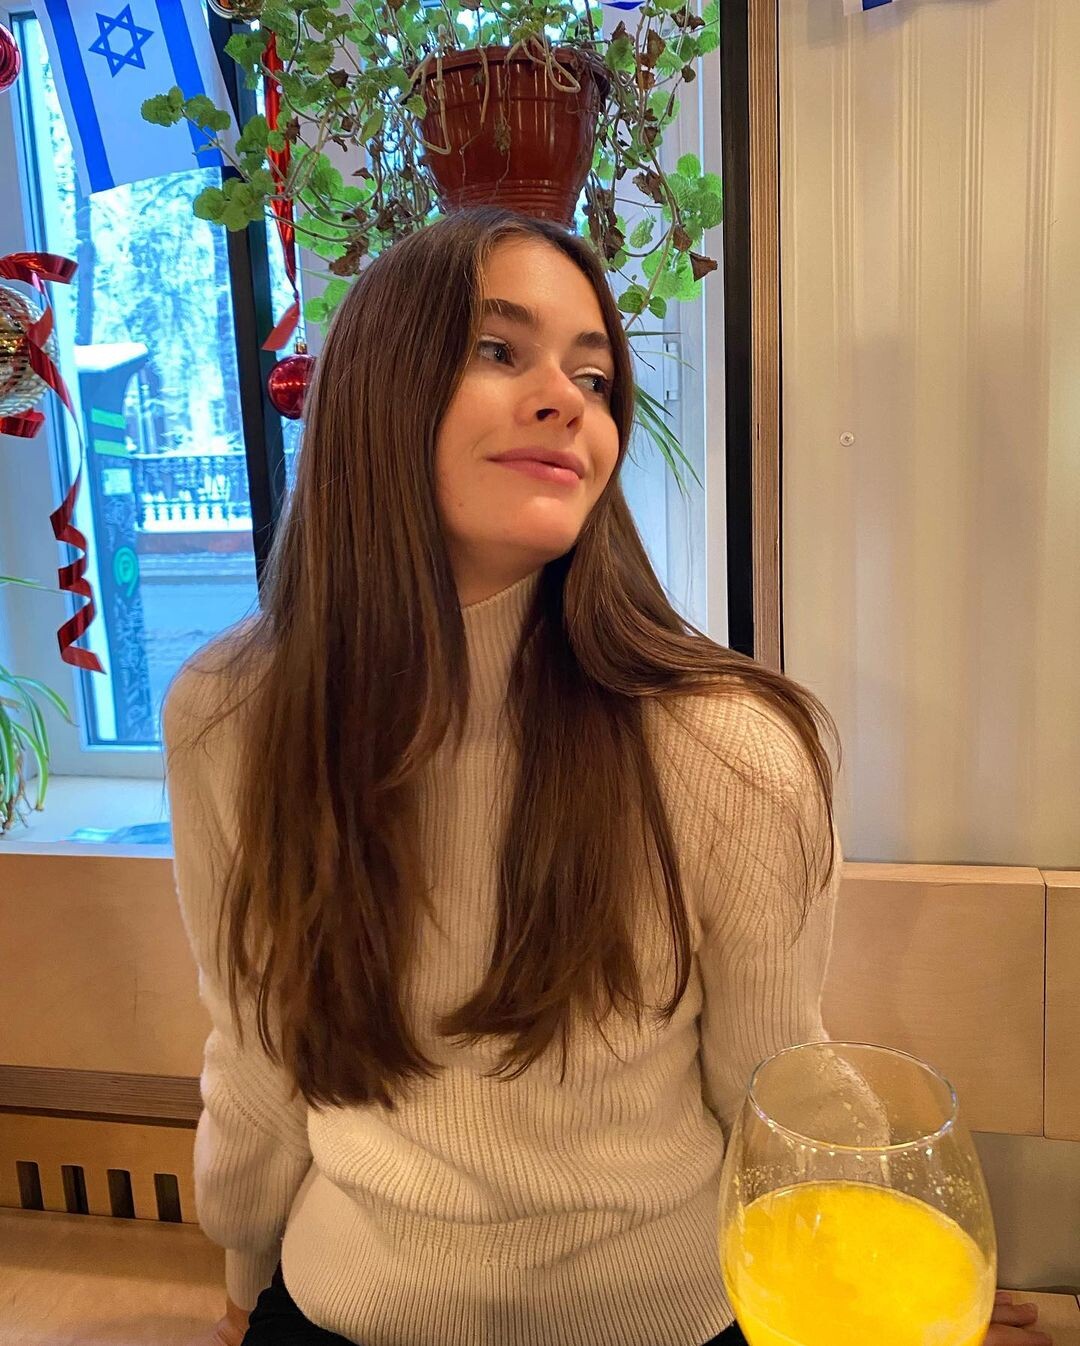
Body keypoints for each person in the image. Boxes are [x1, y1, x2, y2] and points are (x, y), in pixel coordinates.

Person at [163, 207, 1051, 1346]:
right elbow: (256, 1047)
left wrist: (884, 1261)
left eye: (593, 375)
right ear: (374, 389)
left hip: (670, 1312)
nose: (567, 399)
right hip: (343, 1302)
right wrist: (242, 1275)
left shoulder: (730, 747)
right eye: (499, 349)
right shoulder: (230, 716)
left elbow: (773, 1076)